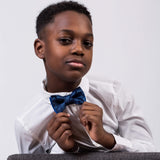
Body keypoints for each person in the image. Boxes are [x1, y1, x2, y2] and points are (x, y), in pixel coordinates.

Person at [15, 1, 155, 153]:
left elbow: (149, 152)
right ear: (40, 48)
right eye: (65, 40)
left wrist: (107, 139)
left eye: (87, 43)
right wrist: (65, 152)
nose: (79, 49)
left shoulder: (114, 93)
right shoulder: (27, 124)